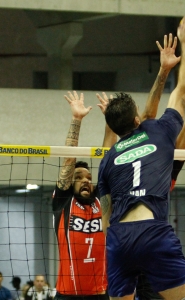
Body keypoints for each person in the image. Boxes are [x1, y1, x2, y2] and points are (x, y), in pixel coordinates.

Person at [98, 15, 185, 300]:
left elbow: (106, 215)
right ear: (137, 118)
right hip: (153, 233)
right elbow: (184, 91)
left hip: (118, 238)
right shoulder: (159, 130)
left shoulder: (108, 158)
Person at [134, 35, 185, 300]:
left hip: (154, 247)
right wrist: (165, 69)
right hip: (129, 249)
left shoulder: (169, 166)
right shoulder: (134, 150)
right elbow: (147, 117)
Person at [52, 90, 116, 300]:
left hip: (100, 293)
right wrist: (76, 119)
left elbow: (109, 156)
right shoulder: (64, 202)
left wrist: (109, 119)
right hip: (67, 294)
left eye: (89, 177)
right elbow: (69, 161)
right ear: (70, 182)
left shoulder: (100, 201)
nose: (86, 180)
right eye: (79, 177)